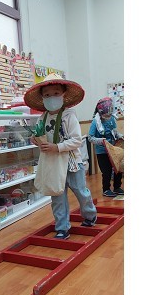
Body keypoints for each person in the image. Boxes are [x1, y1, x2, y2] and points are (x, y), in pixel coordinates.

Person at [23, 73, 97, 240]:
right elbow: (39, 136)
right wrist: (35, 140)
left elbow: (77, 140)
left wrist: (57, 147)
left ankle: (90, 215)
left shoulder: (69, 115)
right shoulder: (42, 117)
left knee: (80, 191)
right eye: (47, 95)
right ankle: (62, 227)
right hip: (53, 164)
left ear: (63, 95)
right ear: (42, 98)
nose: (52, 97)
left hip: (72, 163)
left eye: (56, 93)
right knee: (57, 195)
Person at [88, 97, 124, 197]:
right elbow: (90, 137)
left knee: (118, 168)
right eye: (106, 114)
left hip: (113, 149)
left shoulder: (112, 118)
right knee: (106, 171)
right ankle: (106, 189)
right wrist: (101, 141)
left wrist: (120, 135)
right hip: (102, 151)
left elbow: (114, 132)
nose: (108, 116)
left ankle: (117, 187)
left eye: (109, 114)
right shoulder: (95, 122)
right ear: (100, 112)